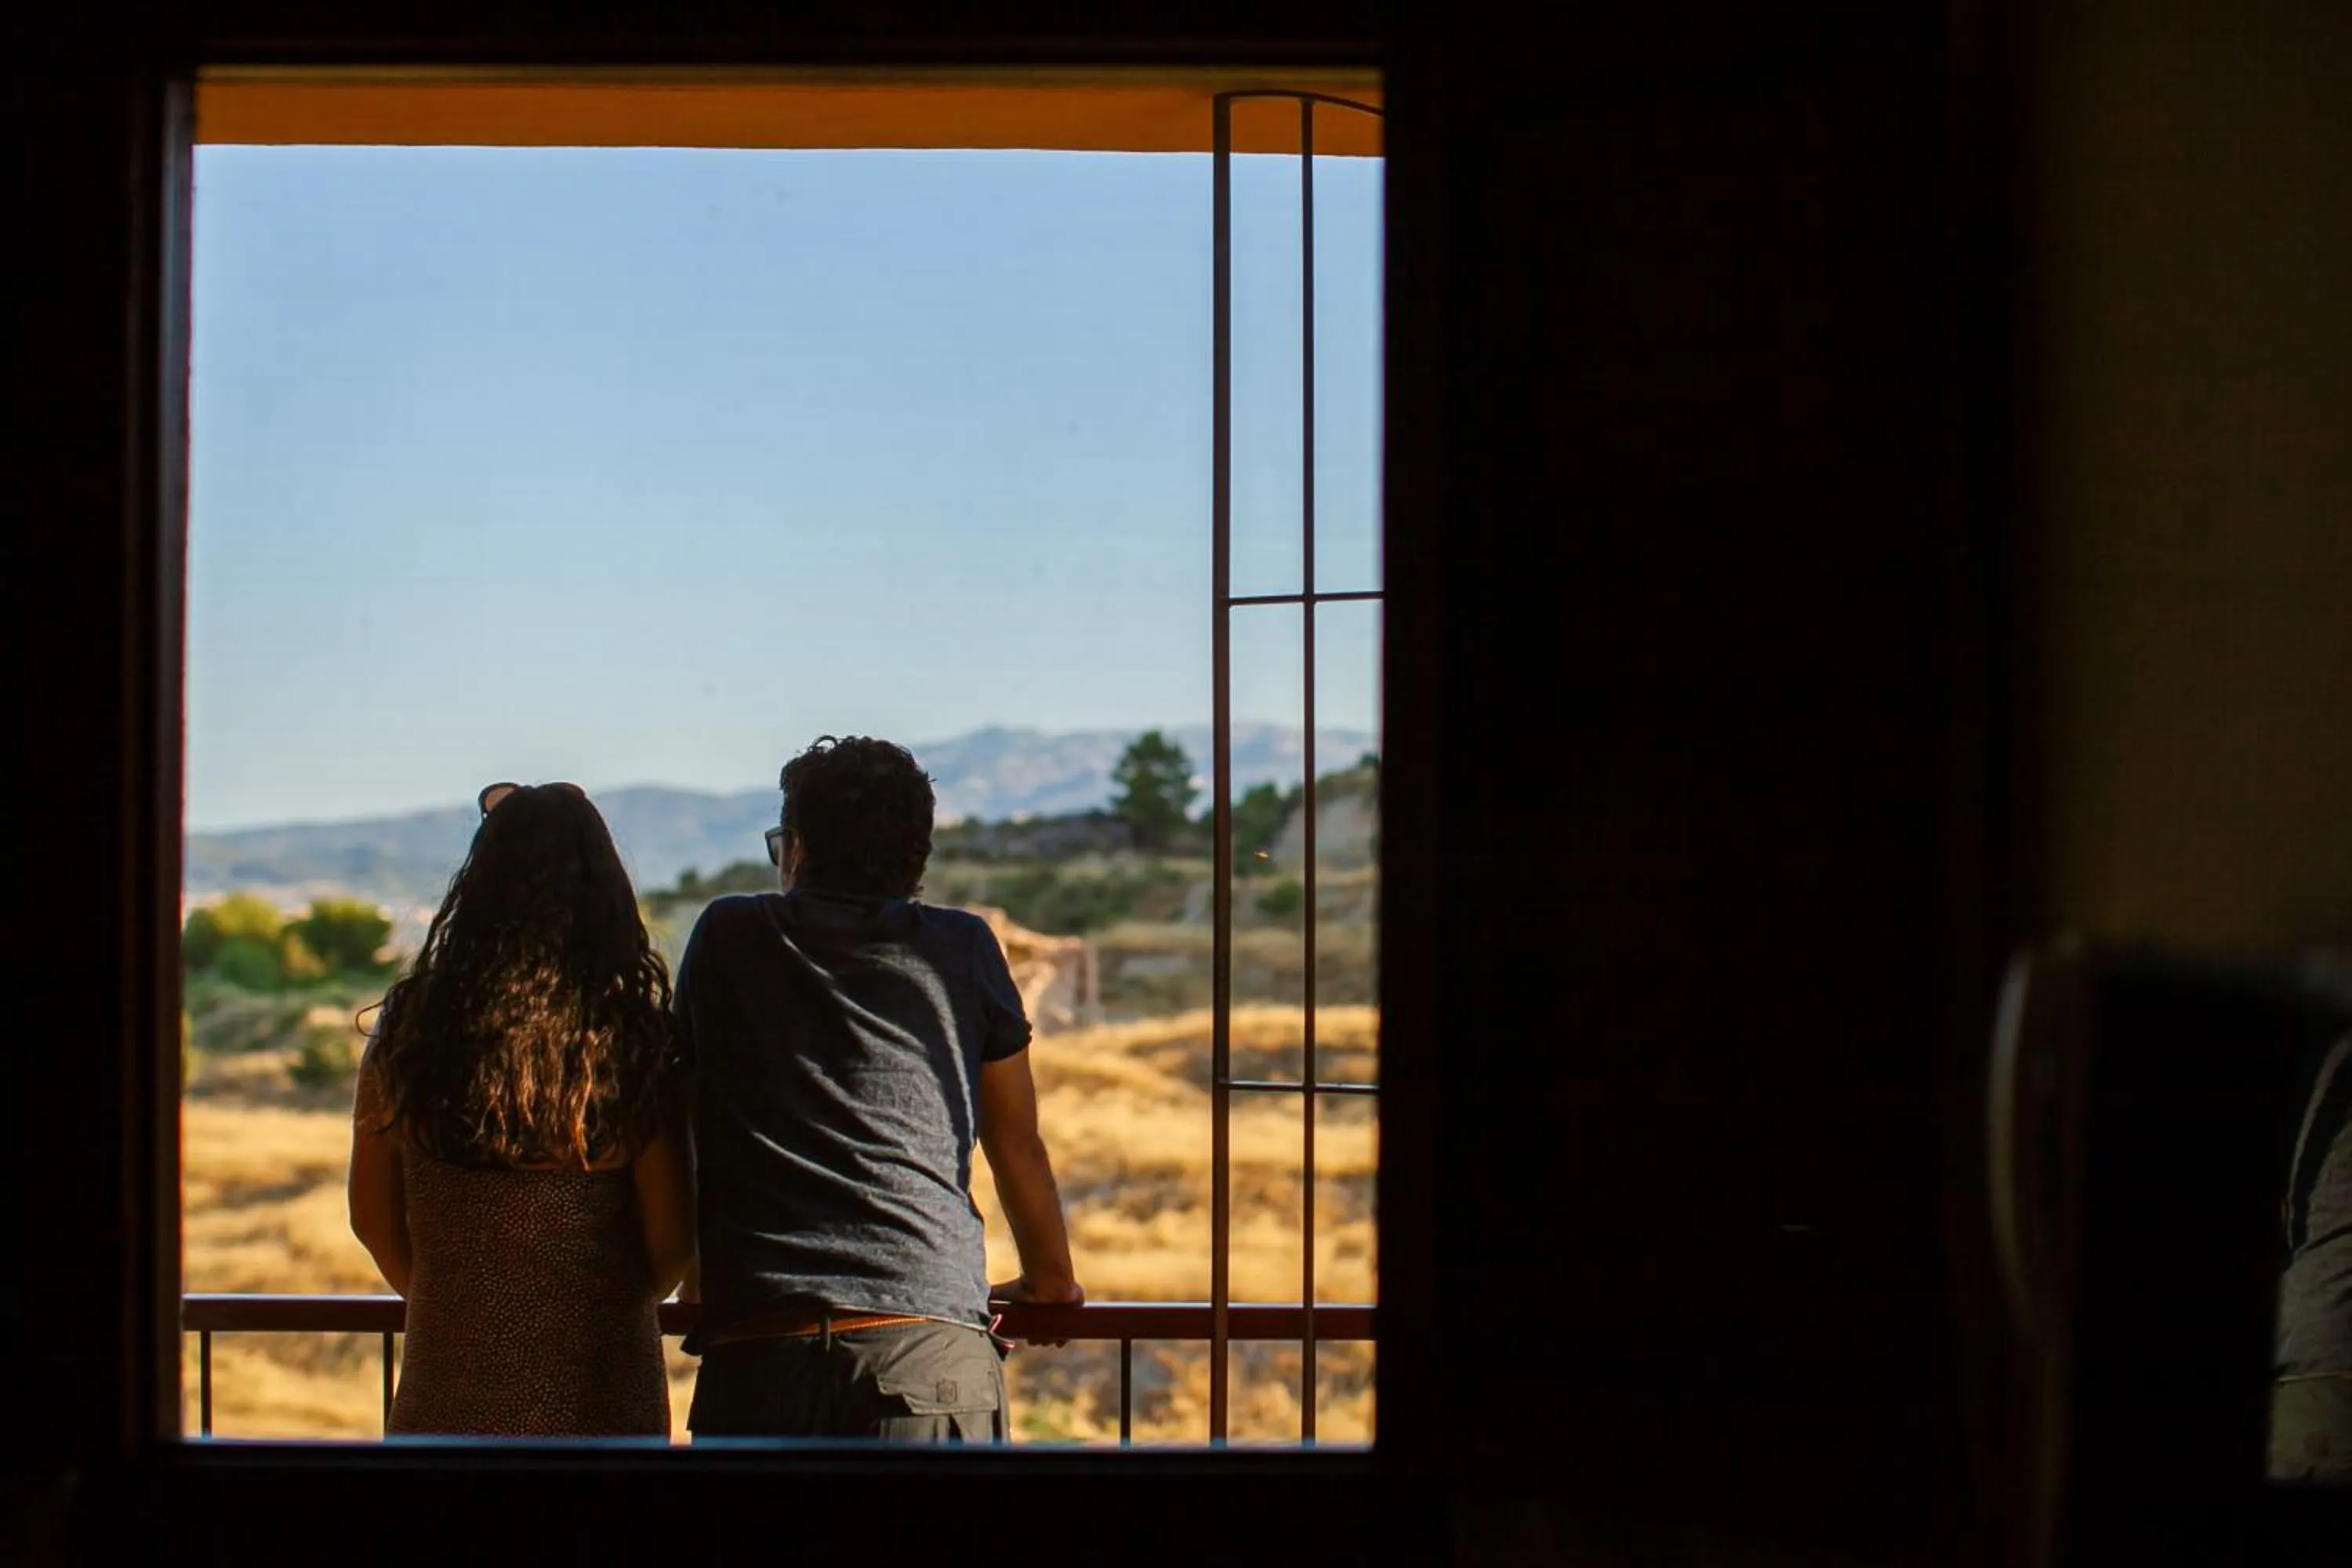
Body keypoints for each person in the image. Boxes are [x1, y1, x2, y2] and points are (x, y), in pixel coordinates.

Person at [676, 735, 1082, 1442]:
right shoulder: (965, 948)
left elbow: (683, 1118)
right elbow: (1015, 1140)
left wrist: (696, 1270)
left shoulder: (729, 934)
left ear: (797, 846)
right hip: (929, 1351)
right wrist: (1051, 1281)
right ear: (916, 853)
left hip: (763, 1348)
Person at [347, 781, 695, 1437]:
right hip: (604, 1395)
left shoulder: (412, 1032)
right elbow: (672, 1237)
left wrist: (447, 1300)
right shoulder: (628, 1040)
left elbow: (371, 1216)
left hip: (446, 1390)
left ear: (477, 889)